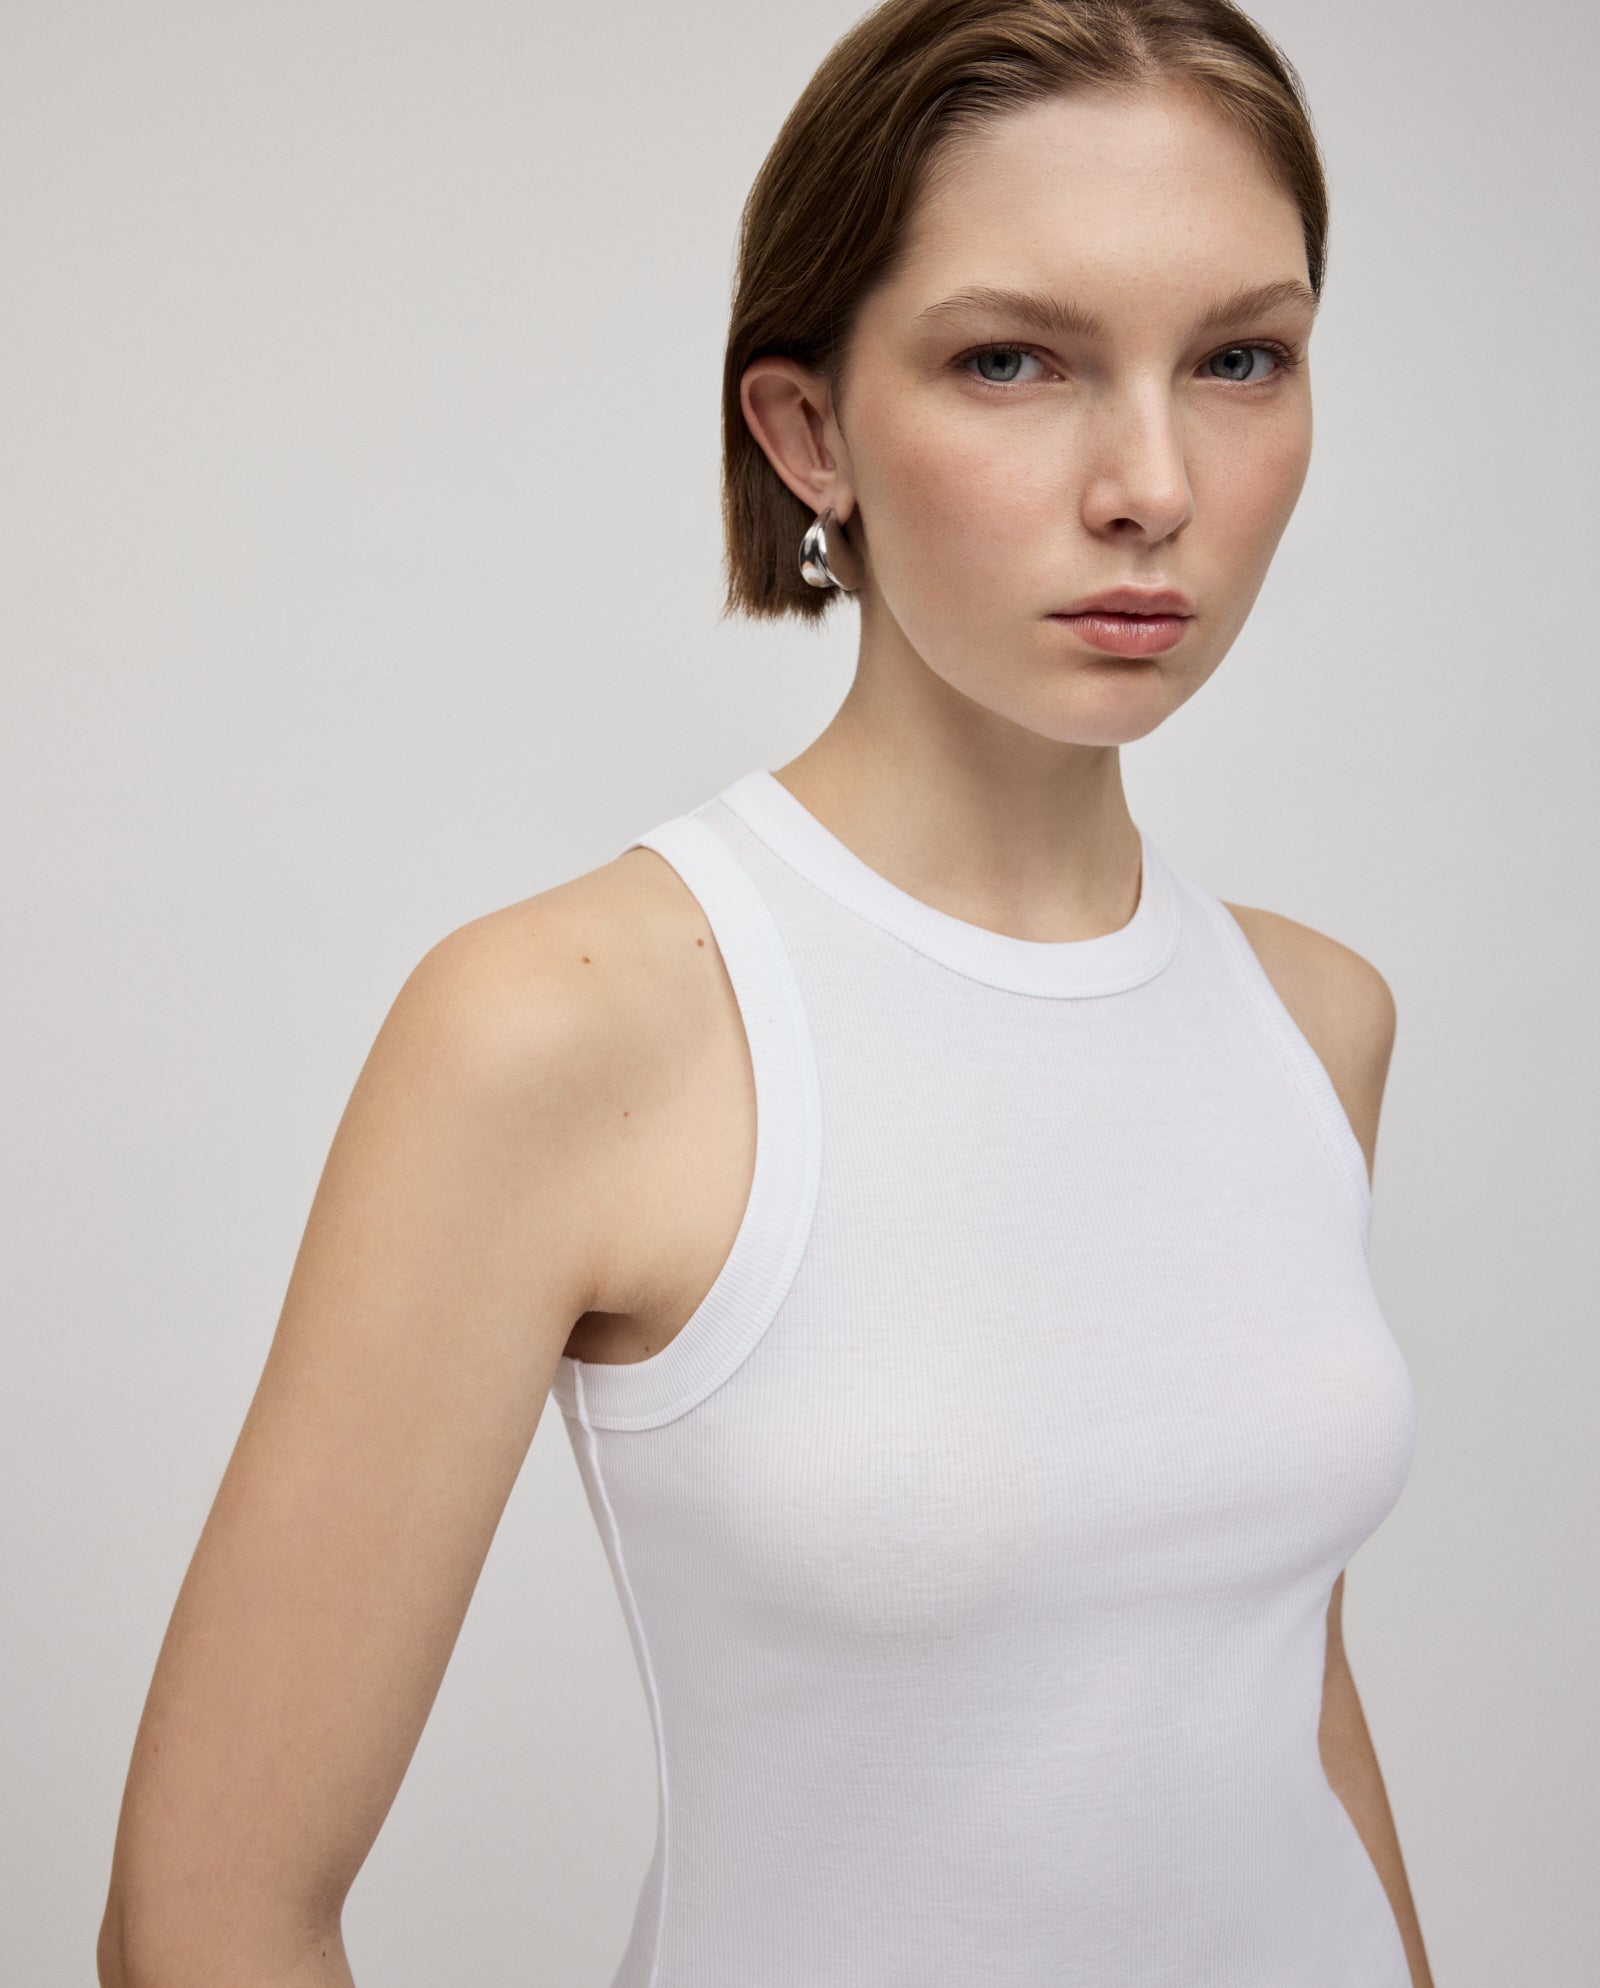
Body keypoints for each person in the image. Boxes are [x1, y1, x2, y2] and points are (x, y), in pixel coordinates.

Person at [98, 2, 1435, 1983]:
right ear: (809, 431)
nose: (1152, 483)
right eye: (1013, 360)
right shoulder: (565, 1026)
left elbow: (1269, 1700)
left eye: (1239, 358)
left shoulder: (1316, 1022)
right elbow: (203, 1915)